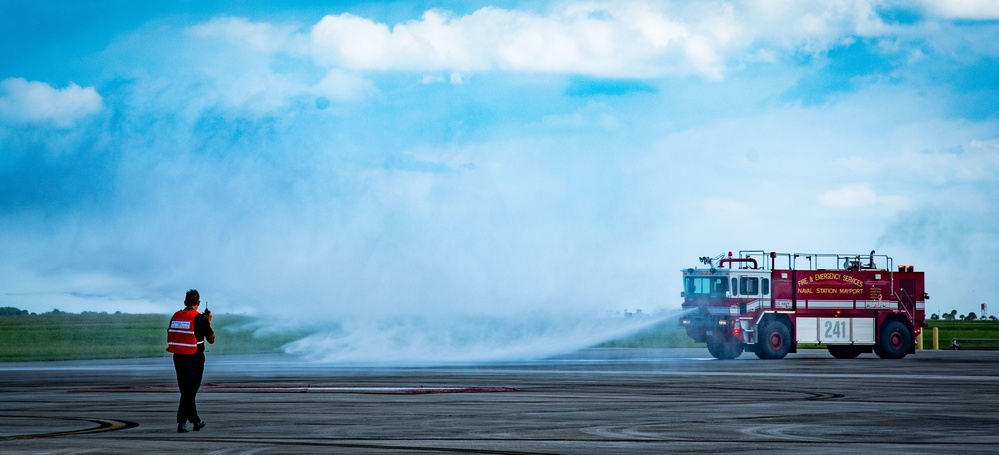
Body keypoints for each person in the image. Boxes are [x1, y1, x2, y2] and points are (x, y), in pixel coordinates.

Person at [166, 289, 215, 433]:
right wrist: (208, 321)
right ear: (198, 303)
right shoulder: (199, 318)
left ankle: (192, 421)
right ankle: (187, 421)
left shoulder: (176, 316)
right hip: (194, 357)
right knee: (190, 391)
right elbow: (211, 339)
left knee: (186, 390)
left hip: (178, 356)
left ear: (185, 302)